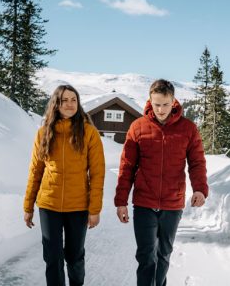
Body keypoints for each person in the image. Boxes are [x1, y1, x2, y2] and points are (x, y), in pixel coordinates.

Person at [114, 79, 208, 286]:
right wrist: (121, 201)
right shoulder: (138, 127)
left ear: (173, 101)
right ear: (150, 101)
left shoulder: (188, 129)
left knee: (164, 255)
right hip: (144, 203)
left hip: (172, 204)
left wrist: (200, 189)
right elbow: (127, 166)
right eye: (156, 104)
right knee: (146, 257)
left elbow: (197, 162)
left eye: (165, 104)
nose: (161, 109)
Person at [23, 84, 105, 286]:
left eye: (73, 100)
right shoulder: (43, 133)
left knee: (75, 257)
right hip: (49, 206)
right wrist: (28, 206)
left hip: (78, 207)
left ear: (78, 103)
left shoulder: (89, 133)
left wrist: (94, 209)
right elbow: (35, 172)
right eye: (64, 100)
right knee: (52, 258)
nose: (69, 104)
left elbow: (97, 174)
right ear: (56, 104)